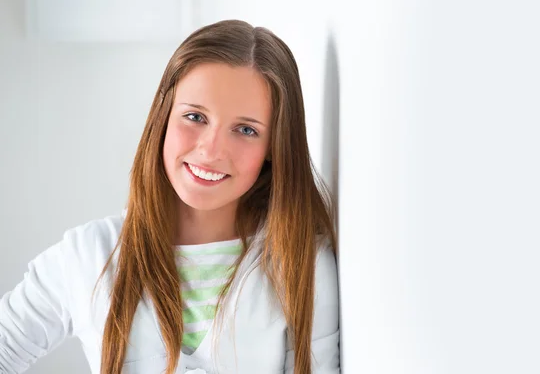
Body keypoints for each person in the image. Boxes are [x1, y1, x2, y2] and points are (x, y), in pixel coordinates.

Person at [0, 19, 340, 374]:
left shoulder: (302, 264)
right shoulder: (87, 255)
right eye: (195, 116)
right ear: (162, 118)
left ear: (274, 146)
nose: (211, 150)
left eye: (245, 129)